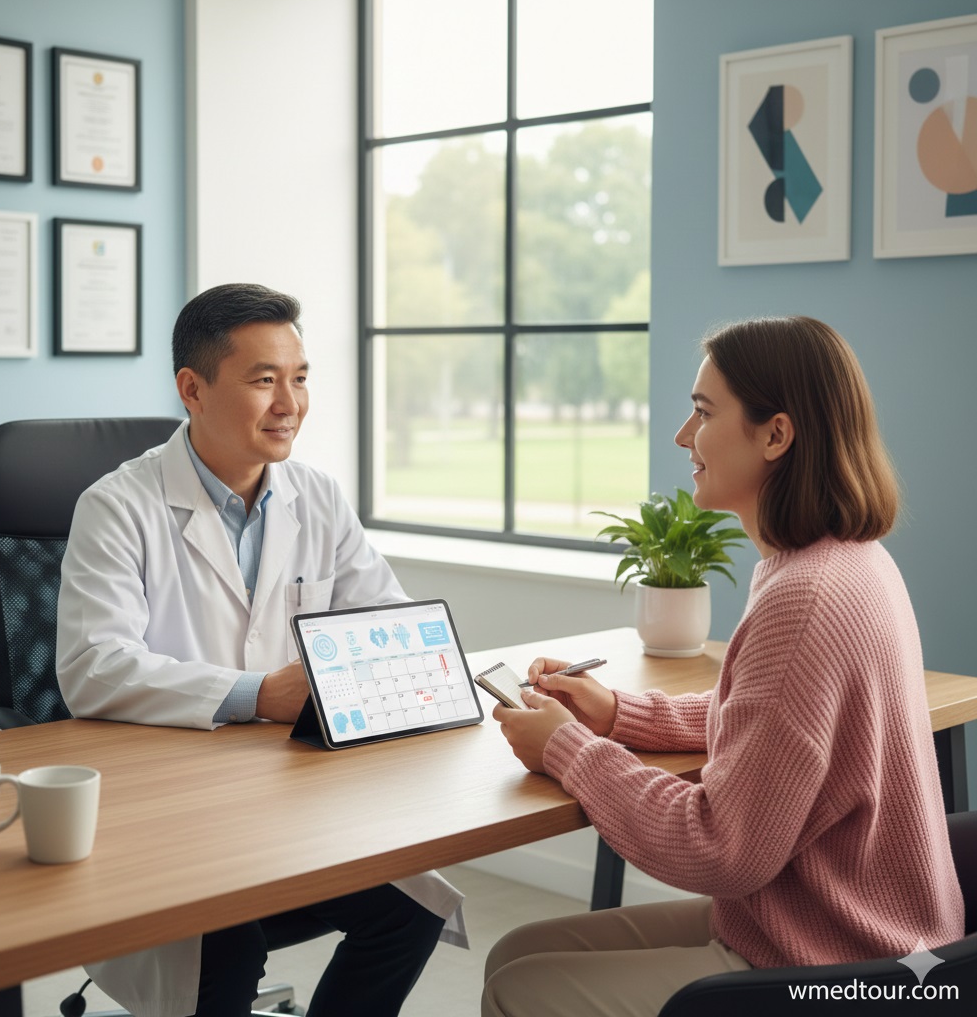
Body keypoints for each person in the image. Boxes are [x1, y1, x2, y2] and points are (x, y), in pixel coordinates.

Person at [484, 316, 965, 1017]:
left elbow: (722, 850)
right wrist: (617, 714)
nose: (684, 436)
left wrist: (567, 749)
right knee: (515, 952)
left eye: (704, 413)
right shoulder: (844, 562)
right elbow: (773, 728)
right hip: (859, 934)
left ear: (776, 434)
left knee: (517, 986)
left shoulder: (804, 597)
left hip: (838, 965)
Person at [57, 283, 464, 1017]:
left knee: (412, 910)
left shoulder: (317, 495)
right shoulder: (117, 506)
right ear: (193, 389)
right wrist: (256, 694)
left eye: (300, 377)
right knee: (225, 941)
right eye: (264, 379)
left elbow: (389, 617)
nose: (290, 403)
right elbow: (94, 668)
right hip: (168, 814)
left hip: (286, 804)